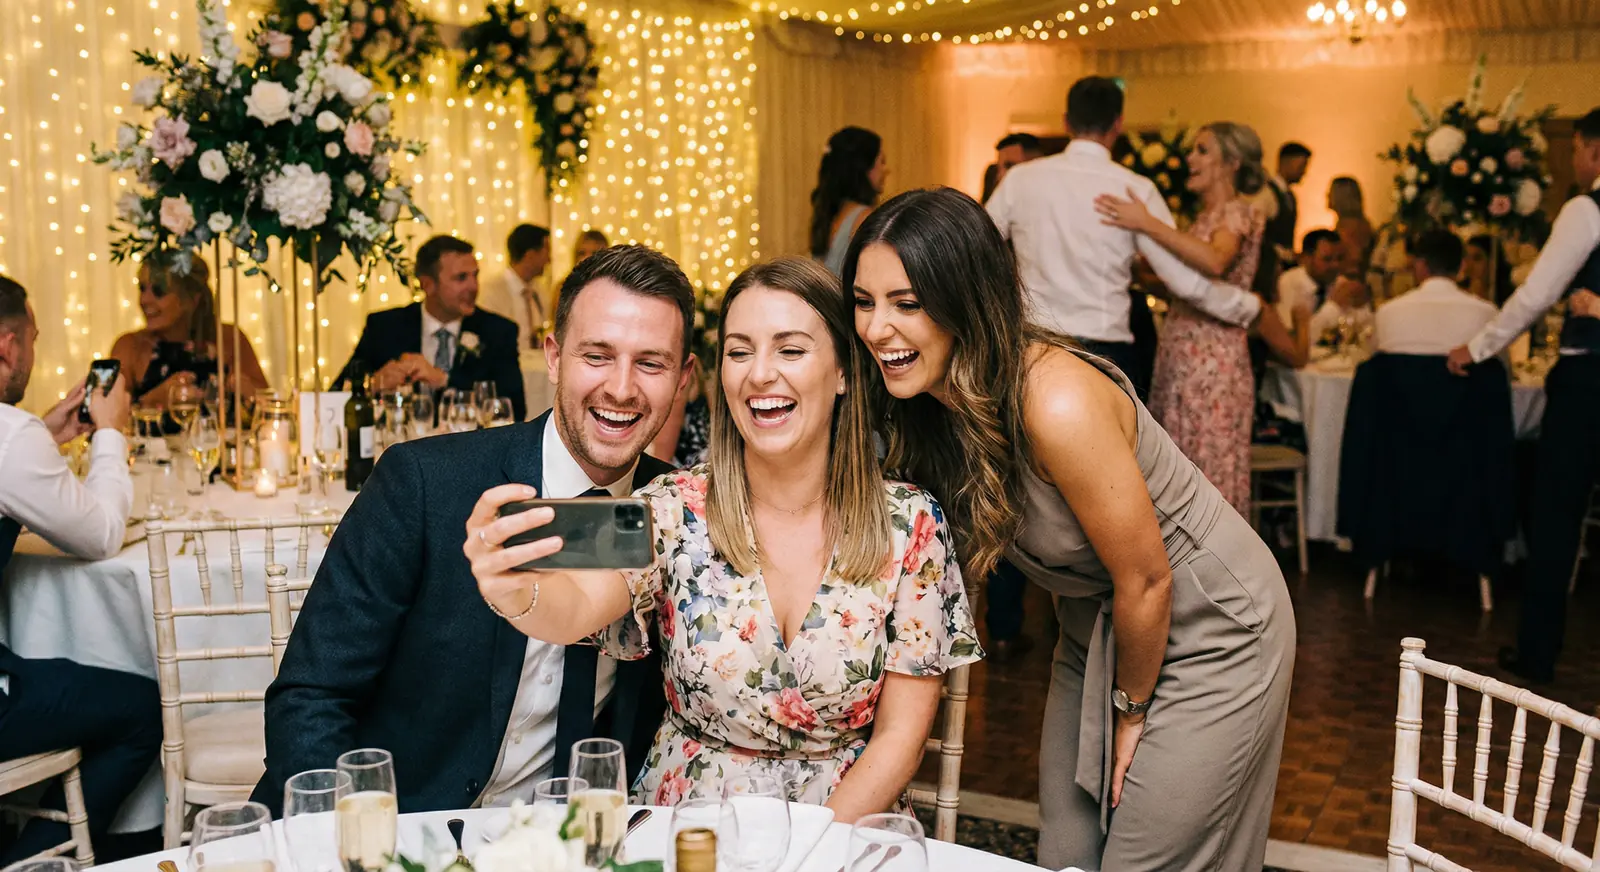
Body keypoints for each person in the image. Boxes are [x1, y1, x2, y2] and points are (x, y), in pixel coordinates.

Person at [848, 187, 1293, 871]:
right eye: (864, 301)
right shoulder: (925, 404)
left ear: (966, 300)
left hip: (1214, 627)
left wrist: (1133, 714)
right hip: (1095, 625)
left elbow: (1148, 578)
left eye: (907, 303)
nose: (878, 328)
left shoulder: (1055, 398)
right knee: (1067, 851)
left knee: (1145, 856)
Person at [467, 257, 981, 817]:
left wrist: (806, 849)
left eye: (790, 349)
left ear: (842, 372)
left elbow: (900, 741)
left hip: (843, 829)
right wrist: (517, 593)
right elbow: (577, 605)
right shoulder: (670, 504)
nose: (760, 374)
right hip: (690, 826)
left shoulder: (911, 524)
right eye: (739, 351)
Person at [256, 246, 686, 814]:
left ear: (682, 379)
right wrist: (357, 835)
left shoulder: (680, 511)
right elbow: (313, 696)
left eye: (651, 363)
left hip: (566, 841)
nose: (623, 388)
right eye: (598, 356)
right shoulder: (424, 483)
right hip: (403, 822)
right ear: (554, 358)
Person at [0, 275, 161, 864]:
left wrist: (43, 434)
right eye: (34, 339)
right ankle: (33, 862)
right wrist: (111, 432)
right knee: (143, 710)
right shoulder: (9, 439)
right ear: (10, 346)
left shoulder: (15, 438)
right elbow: (101, 536)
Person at [985, 76, 1264, 395]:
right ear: (1118, 124)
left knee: (1030, 443)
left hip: (1033, 341)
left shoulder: (1020, 180)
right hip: (1104, 349)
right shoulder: (1136, 190)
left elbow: (973, 246)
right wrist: (1247, 306)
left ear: (1066, 122)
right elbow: (1183, 281)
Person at [1447, 107, 1600, 684]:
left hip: (1589, 380)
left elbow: (1537, 293)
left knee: (1556, 516)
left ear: (1593, 151)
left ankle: (1538, 654)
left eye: (1580, 152)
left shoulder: (1588, 208)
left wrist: (1479, 347)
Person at [1094, 121, 1274, 513]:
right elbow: (1186, 290)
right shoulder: (1202, 219)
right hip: (1179, 353)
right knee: (1178, 464)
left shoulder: (1238, 212)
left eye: (1202, 150)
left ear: (1232, 163)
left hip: (1214, 358)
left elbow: (1215, 261)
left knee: (1210, 465)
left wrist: (1147, 223)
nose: (1189, 158)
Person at [334, 235, 526, 420]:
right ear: (428, 285)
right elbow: (334, 394)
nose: (473, 286)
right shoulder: (385, 326)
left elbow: (515, 408)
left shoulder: (498, 331)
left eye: (475, 276)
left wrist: (443, 380)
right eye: (461, 278)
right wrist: (373, 384)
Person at [109, 256, 268, 408]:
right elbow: (105, 420)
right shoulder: (130, 346)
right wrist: (152, 401)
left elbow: (267, 406)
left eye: (159, 291)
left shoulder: (227, 339)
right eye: (142, 288)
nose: (144, 300)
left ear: (192, 299)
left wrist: (249, 394)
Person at [1376, 230, 1499, 356]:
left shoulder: (1387, 312)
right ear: (1462, 266)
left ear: (1419, 265)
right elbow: (1501, 370)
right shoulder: (1486, 313)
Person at [811, 127, 888, 277]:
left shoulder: (829, 214)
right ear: (864, 168)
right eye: (882, 161)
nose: (886, 170)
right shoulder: (864, 218)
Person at [496, 224, 552, 352]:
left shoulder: (539, 290)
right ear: (530, 255)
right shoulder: (492, 292)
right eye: (546, 251)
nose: (549, 260)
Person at [1259, 142, 1311, 265]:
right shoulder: (1267, 194)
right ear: (1286, 162)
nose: (1304, 172)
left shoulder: (1290, 196)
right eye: (1301, 166)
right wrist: (1281, 252)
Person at [1328, 176, 1375, 275]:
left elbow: (1353, 261)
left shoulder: (1350, 228)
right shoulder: (1359, 223)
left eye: (1331, 192)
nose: (1327, 195)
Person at [1463, 234, 1516, 307]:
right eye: (1466, 258)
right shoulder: (1459, 292)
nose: (1469, 265)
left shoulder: (1509, 299)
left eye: (1477, 259)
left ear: (1493, 262)